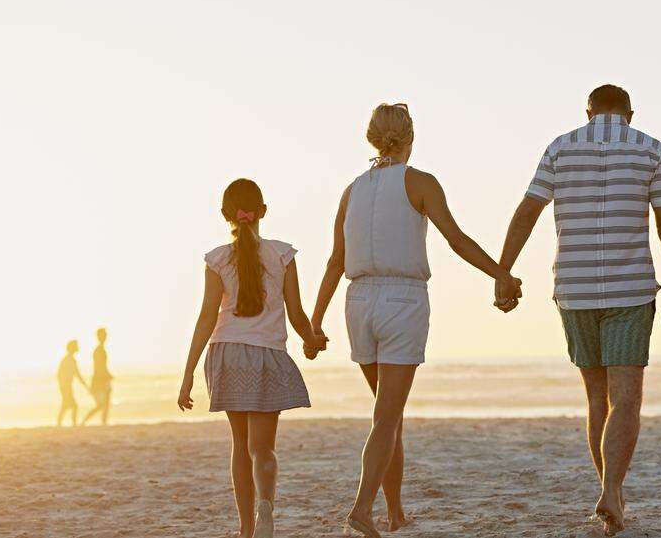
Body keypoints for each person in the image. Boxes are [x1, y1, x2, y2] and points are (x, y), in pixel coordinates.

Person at [310, 103, 521, 538]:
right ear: (410, 137)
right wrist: (500, 273)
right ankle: (362, 510)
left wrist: (315, 323)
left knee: (389, 413)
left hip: (358, 301)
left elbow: (335, 261)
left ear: (372, 138)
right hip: (401, 301)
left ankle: (395, 513)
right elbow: (456, 238)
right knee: (387, 416)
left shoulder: (351, 190)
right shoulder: (419, 182)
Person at [498, 84, 661, 535]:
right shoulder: (652, 149)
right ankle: (612, 491)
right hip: (630, 289)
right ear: (630, 114)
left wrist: (503, 270)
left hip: (575, 288)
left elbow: (528, 210)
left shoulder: (560, 149)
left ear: (588, 113)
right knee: (627, 399)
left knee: (595, 398)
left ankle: (610, 490)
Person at [177, 178, 328, 538]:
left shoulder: (216, 260)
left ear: (226, 215)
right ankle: (266, 509)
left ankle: (246, 530)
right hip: (267, 356)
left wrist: (187, 376)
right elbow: (296, 313)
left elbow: (206, 318)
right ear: (263, 212)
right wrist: (312, 341)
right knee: (262, 449)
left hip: (227, 353)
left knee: (240, 447)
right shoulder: (282, 255)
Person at [82, 327, 113, 426]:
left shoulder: (100, 349)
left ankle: (103, 422)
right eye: (104, 335)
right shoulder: (99, 350)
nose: (105, 337)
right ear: (100, 337)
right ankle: (86, 421)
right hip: (100, 379)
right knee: (102, 404)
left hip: (101, 378)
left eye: (105, 335)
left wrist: (108, 374)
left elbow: (102, 366)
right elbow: (100, 366)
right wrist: (106, 376)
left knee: (104, 404)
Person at [57, 340, 87, 427]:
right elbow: (76, 374)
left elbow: (76, 374)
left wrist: (83, 383)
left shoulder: (69, 359)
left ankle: (59, 424)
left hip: (66, 386)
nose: (78, 347)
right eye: (76, 346)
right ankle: (73, 424)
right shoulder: (68, 360)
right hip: (66, 386)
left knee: (65, 405)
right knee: (73, 406)